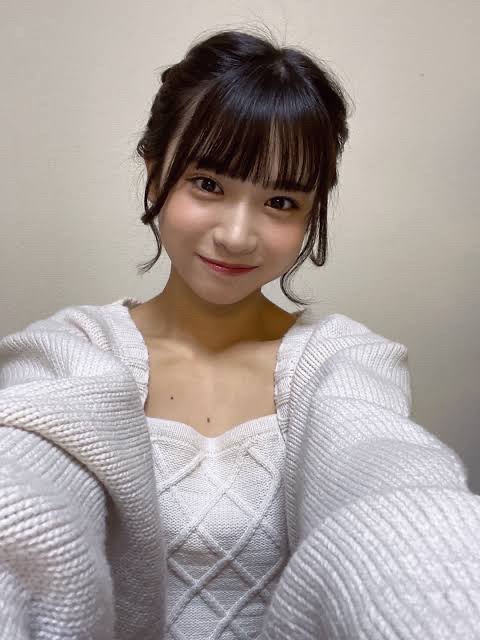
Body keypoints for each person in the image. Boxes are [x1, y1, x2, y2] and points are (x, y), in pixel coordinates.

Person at [1, 25, 479, 640]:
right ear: (155, 174)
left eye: (280, 202)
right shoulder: (72, 352)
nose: (235, 236)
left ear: (311, 212)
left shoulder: (343, 362)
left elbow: (392, 490)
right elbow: (23, 494)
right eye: (208, 185)